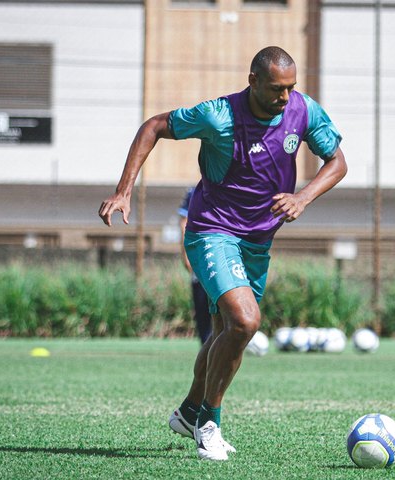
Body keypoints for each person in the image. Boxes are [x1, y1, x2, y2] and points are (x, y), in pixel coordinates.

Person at [98, 46, 347, 460]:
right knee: (245, 321)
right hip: (212, 231)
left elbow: (337, 162)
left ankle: (189, 410)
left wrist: (303, 197)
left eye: (290, 88)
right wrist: (124, 190)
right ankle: (208, 423)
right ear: (252, 81)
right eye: (275, 89)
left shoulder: (303, 111)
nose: (285, 98)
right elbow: (154, 126)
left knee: (225, 334)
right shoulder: (219, 115)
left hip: (258, 241)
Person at [178, 186, 212, 345]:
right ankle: (206, 347)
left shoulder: (233, 184)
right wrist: (186, 253)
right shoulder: (196, 191)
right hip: (200, 254)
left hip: (226, 253)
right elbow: (184, 222)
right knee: (202, 308)